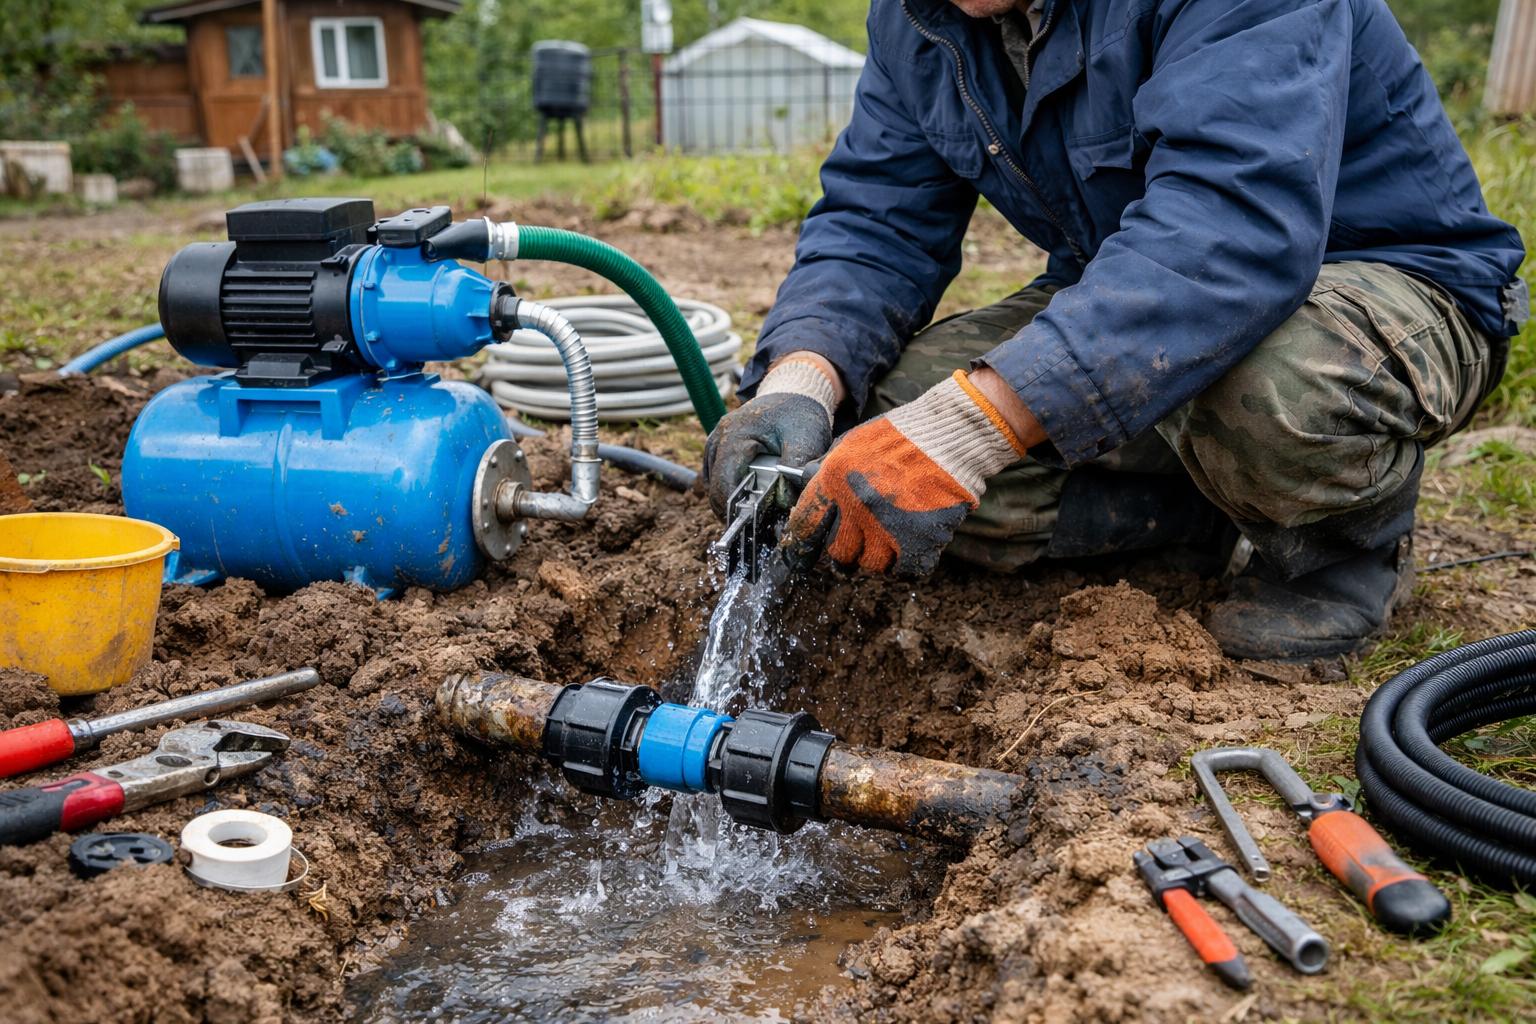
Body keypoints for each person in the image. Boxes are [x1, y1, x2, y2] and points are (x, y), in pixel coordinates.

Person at [701, 0, 1527, 661]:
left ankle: (1336, 553)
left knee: (1268, 386)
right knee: (876, 435)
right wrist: (802, 381)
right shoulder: (916, 20)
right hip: (1138, 289)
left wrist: (971, 429)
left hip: (1384, 287)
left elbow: (1230, 229)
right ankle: (1197, 508)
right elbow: (878, 222)